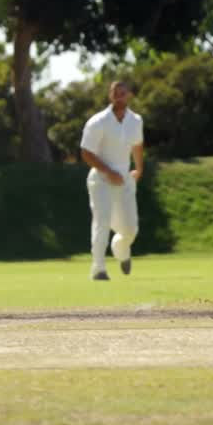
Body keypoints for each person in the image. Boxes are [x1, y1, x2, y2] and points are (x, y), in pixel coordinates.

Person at [79, 80, 145, 281]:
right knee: (102, 221)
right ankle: (98, 269)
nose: (119, 96)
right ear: (110, 96)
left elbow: (137, 145)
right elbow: (86, 153)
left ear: (129, 96)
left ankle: (120, 249)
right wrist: (108, 171)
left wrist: (139, 169)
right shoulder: (97, 121)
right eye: (116, 93)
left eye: (123, 93)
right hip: (100, 180)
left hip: (124, 180)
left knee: (130, 229)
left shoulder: (135, 120)